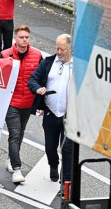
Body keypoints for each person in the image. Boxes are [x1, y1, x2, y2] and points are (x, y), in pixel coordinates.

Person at [27, 34, 74, 185]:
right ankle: (53, 164)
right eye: (57, 48)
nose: (58, 52)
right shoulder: (48, 62)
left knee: (67, 150)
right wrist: (38, 88)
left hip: (70, 117)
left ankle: (65, 183)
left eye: (62, 49)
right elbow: (32, 79)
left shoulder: (79, 66)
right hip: (50, 113)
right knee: (49, 148)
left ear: (70, 49)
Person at [2, 25, 43, 184]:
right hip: (11, 102)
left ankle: (10, 158)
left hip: (28, 103)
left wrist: (41, 103)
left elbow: (42, 79)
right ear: (15, 38)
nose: (24, 40)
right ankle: (17, 169)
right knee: (15, 133)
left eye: (27, 37)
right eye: (21, 37)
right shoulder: (6, 55)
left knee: (21, 133)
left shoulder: (37, 55)